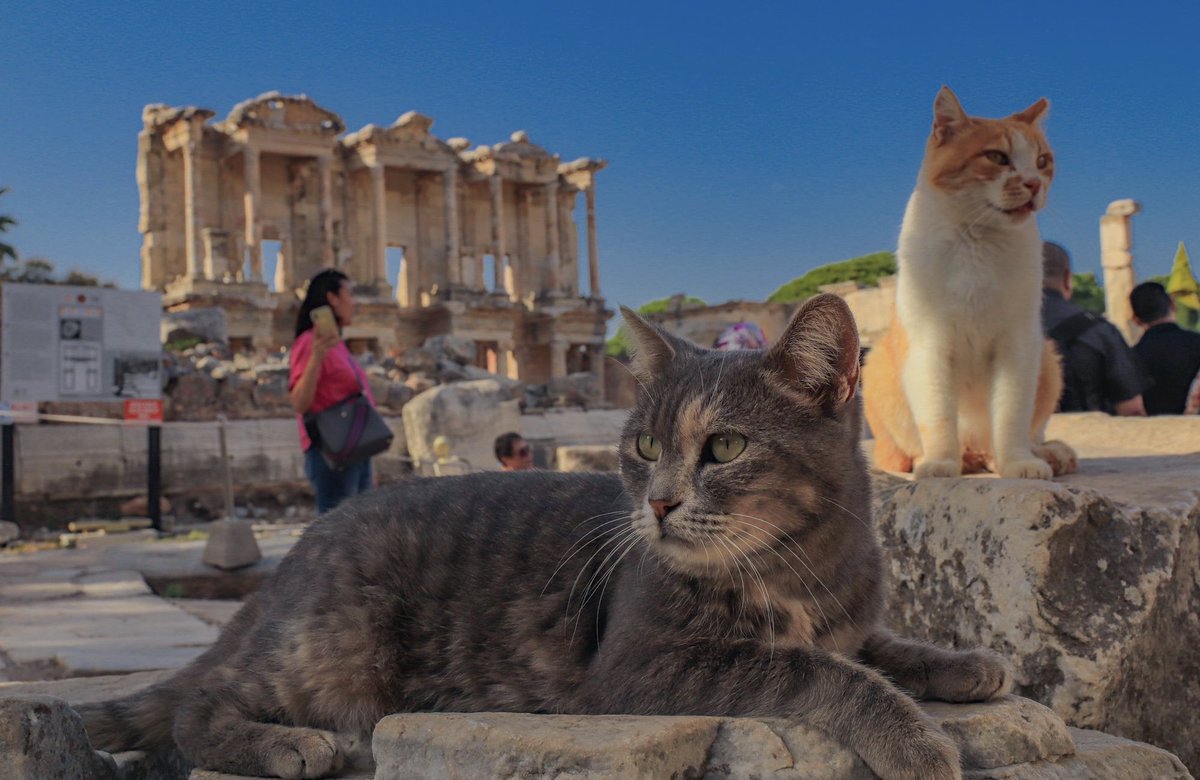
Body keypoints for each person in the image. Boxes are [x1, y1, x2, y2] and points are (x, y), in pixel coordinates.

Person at [289, 269, 376, 512]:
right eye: (349, 294)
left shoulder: (338, 346)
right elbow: (299, 403)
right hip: (332, 452)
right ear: (332, 298)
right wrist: (316, 357)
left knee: (359, 535)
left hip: (356, 448)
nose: (354, 302)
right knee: (336, 538)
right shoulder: (310, 342)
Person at [1041, 241, 1148, 415]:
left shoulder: (993, 332)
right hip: (1087, 438)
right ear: (1068, 279)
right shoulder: (1100, 330)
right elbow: (1132, 409)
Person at [1130, 281, 1200, 415]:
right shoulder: (1196, 343)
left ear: (1135, 319)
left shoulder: (1130, 357)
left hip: (1150, 431)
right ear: (1172, 305)